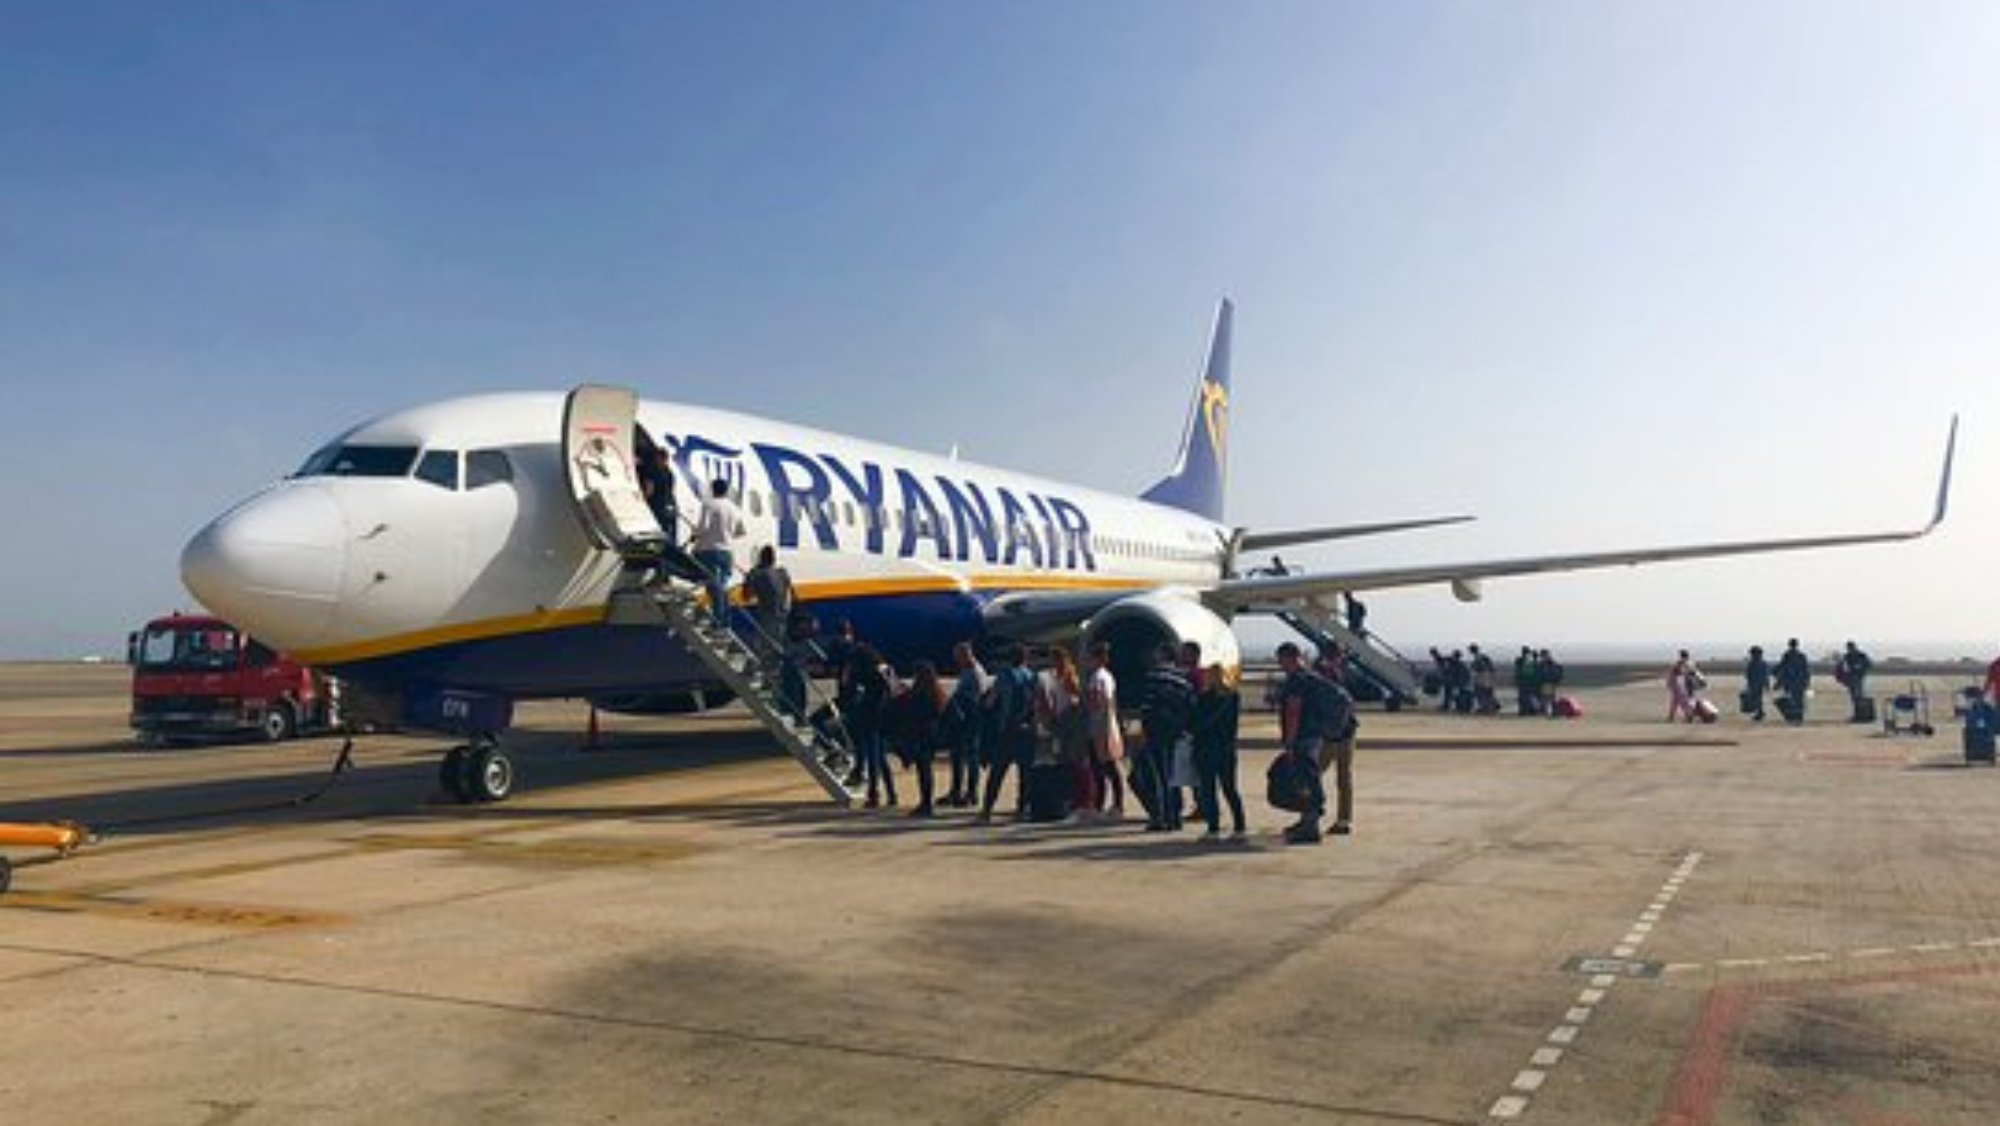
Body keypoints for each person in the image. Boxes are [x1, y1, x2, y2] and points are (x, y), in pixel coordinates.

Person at [1274, 641, 1357, 843]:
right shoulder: (1323, 675)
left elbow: (1294, 711)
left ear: (1288, 658)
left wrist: (1290, 741)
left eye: (1280, 660)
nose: (1279, 665)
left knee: (1308, 778)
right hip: (1343, 731)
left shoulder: (1300, 679)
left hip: (1315, 737)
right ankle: (1341, 820)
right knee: (1342, 777)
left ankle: (1309, 822)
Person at [975, 645, 1038, 824]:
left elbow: (991, 701)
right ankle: (1022, 808)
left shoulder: (1005, 676)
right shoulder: (1032, 676)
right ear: (1025, 658)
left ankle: (987, 809)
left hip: (1008, 729)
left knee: (998, 771)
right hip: (1027, 729)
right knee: (1025, 773)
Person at [1138, 642, 1196, 832]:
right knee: (1174, 776)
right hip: (1176, 732)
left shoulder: (1154, 677)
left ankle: (1163, 818)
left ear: (1162, 656)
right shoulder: (1183, 678)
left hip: (1157, 732)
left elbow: (1148, 707)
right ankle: (1176, 817)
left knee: (1160, 777)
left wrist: (1145, 732)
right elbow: (1190, 706)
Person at [1189, 662, 1246, 840]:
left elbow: (1194, 724)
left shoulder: (1204, 698)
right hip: (1227, 748)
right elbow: (1233, 725)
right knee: (1230, 789)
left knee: (1209, 789)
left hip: (1206, 748)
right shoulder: (1233, 696)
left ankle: (1213, 829)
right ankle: (1239, 827)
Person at [1036, 647, 1094, 817]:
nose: (1053, 663)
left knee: (1078, 761)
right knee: (1065, 762)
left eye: (1055, 659)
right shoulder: (1055, 677)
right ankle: (1072, 799)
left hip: (1072, 723)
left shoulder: (1070, 676)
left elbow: (1077, 701)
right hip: (1061, 722)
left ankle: (1085, 800)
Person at [889, 661, 947, 817]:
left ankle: (926, 804)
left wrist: (901, 695)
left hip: (921, 734)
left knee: (923, 770)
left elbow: (910, 709)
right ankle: (926, 802)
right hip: (932, 733)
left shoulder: (919, 693)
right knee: (926, 769)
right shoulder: (936, 691)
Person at [846, 644, 896, 808]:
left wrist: (848, 675)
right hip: (885, 715)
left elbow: (850, 688)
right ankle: (891, 793)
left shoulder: (865, 671)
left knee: (872, 756)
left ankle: (874, 794)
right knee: (881, 757)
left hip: (869, 714)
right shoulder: (886, 668)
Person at [691, 478, 746, 627]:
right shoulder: (734, 508)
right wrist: (726, 534)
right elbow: (741, 532)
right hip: (726, 552)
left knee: (713, 587)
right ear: (726, 490)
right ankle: (724, 621)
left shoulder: (709, 504)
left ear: (712, 489)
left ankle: (717, 621)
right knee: (722, 587)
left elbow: (703, 527)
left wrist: (694, 534)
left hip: (709, 550)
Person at [941, 642, 989, 808]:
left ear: (965, 655)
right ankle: (956, 791)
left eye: (958, 657)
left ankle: (971, 793)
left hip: (970, 719)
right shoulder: (968, 670)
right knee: (958, 756)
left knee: (970, 757)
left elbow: (976, 697)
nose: (956, 661)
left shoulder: (975, 672)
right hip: (964, 719)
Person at [1084, 642, 1125, 817]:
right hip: (1105, 723)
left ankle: (1106, 804)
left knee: (1103, 767)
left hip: (1099, 726)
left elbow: (1098, 702)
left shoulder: (1098, 678)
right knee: (1104, 767)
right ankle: (1109, 803)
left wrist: (1087, 703)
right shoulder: (1107, 677)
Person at [742, 545, 794, 663]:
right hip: (783, 615)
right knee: (778, 646)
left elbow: (746, 596)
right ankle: (778, 672)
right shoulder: (782, 573)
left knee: (764, 647)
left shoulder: (756, 573)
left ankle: (768, 672)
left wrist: (748, 579)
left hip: (766, 615)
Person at [638, 444, 680, 542]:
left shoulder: (651, 470)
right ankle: (671, 549)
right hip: (671, 505)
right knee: (671, 532)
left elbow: (649, 490)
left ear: (658, 458)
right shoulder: (669, 472)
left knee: (657, 532)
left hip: (658, 506)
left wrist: (642, 501)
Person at [1835, 641, 1874, 723]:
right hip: (1851, 679)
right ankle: (1857, 714)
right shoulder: (1847, 656)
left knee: (1858, 697)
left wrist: (1860, 670)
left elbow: (1868, 664)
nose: (1849, 649)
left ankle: (1861, 715)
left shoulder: (1861, 655)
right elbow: (1841, 666)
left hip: (1858, 678)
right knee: (1854, 698)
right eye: (1848, 648)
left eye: (1850, 647)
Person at [1774, 639, 1811, 725]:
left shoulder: (1787, 655)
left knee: (1791, 701)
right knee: (1799, 701)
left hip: (1790, 682)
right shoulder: (1802, 656)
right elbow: (1806, 670)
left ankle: (1793, 718)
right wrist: (1807, 682)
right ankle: (1799, 718)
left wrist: (1776, 676)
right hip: (1799, 682)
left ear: (1789, 645)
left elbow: (1782, 667)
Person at [1741, 645, 1770, 722]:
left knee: (1756, 699)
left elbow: (1748, 674)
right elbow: (1766, 675)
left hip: (1754, 684)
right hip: (1758, 684)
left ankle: (1759, 713)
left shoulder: (1752, 663)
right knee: (1758, 699)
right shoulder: (1763, 663)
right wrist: (1767, 684)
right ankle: (1759, 712)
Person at [1666, 650, 1696, 722]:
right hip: (1682, 684)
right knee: (1675, 701)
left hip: (1679, 684)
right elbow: (1692, 673)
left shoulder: (1680, 664)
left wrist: (1669, 682)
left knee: (1681, 701)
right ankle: (1671, 717)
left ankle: (1688, 716)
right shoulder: (1690, 663)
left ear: (1682, 656)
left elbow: (1676, 673)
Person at [1469, 645, 1499, 715]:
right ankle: (1490, 707)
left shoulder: (1478, 657)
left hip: (1482, 677)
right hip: (1487, 677)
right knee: (1486, 693)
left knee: (1481, 693)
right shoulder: (1482, 657)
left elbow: (1479, 667)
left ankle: (1487, 708)